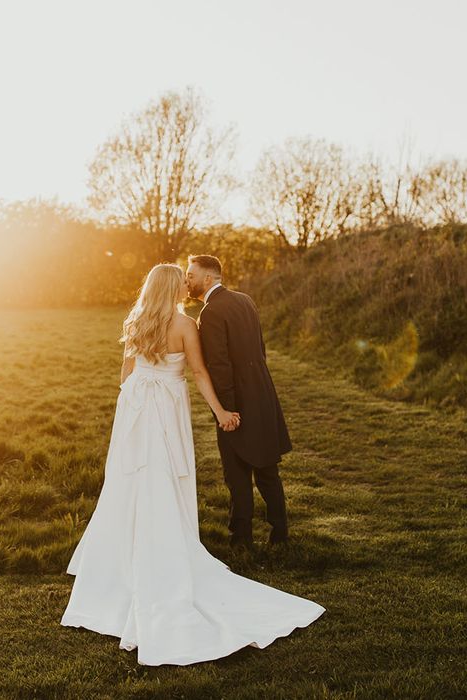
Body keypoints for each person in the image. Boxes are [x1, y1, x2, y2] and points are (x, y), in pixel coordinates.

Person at [60, 263, 325, 666]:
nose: (187, 285)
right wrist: (221, 411)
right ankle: (168, 544)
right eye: (180, 282)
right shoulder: (185, 325)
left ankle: (125, 555)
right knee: (164, 474)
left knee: (131, 479)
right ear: (174, 289)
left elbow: (124, 376)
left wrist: (135, 401)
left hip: (134, 407)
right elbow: (200, 372)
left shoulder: (134, 322)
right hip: (165, 406)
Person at [186, 254, 291, 549]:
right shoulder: (245, 300)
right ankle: (280, 533)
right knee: (268, 469)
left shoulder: (211, 312)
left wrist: (226, 410)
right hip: (262, 393)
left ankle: (241, 538)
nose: (188, 281)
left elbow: (219, 366)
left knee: (237, 472)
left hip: (237, 401)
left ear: (208, 278)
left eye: (191, 275)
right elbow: (260, 348)